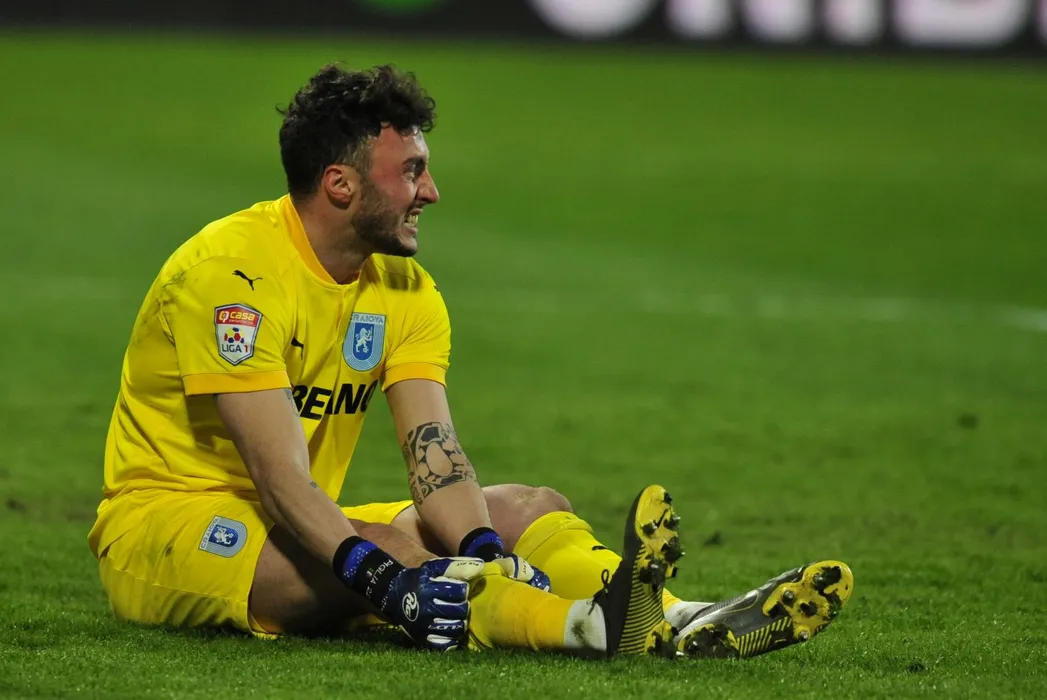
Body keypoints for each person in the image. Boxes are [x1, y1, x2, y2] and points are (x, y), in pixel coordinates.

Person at [87, 63, 853, 659]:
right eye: (410, 171)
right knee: (392, 555)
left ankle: (683, 618)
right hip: (167, 528)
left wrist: (487, 551)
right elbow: (279, 477)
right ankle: (591, 629)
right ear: (340, 185)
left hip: (294, 518)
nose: (432, 191)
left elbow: (436, 458)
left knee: (527, 509)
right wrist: (384, 577)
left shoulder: (404, 289)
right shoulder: (233, 279)